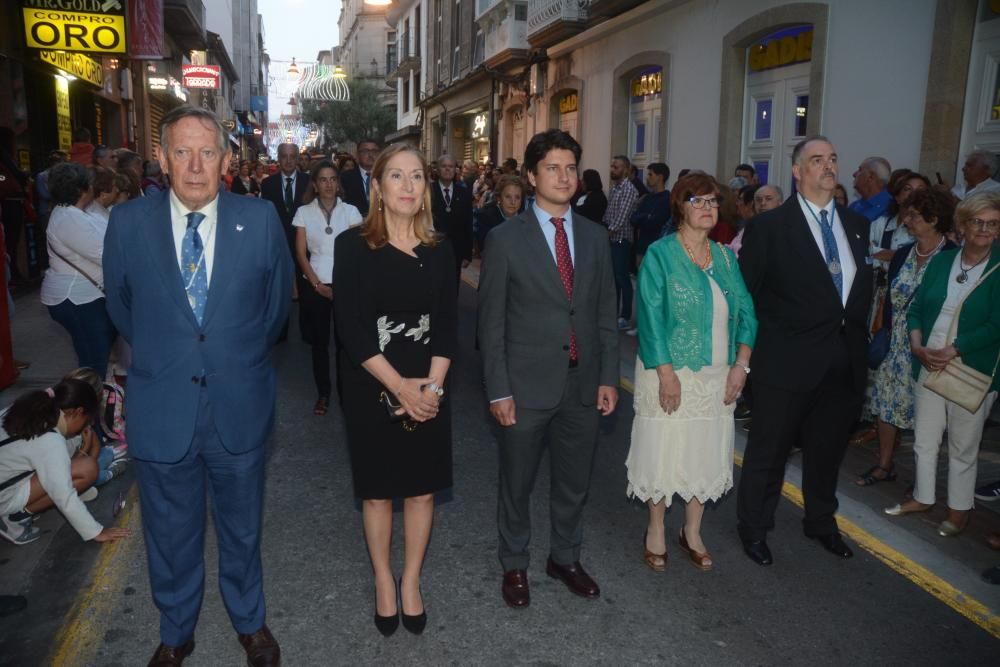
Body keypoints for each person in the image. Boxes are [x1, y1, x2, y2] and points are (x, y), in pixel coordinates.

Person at [103, 105, 291, 666]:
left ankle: (250, 622)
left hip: (238, 403)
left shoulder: (258, 220)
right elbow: (122, 309)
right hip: (163, 406)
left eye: (207, 152)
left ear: (227, 161)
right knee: (169, 533)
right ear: (160, 159)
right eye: (181, 152)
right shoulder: (128, 225)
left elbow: (275, 310)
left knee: (241, 529)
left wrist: (231, 356)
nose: (194, 166)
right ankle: (176, 630)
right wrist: (173, 355)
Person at [479, 129, 619, 608]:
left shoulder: (596, 237)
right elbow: (491, 322)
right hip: (524, 385)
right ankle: (514, 562)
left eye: (570, 168)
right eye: (553, 168)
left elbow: (604, 312)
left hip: (582, 384)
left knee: (574, 482)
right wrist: (498, 391)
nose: (564, 176)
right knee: (517, 482)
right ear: (533, 175)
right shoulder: (504, 239)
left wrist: (607, 377)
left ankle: (565, 556)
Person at [333, 144, 457, 636]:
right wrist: (400, 387)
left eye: (417, 177)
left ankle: (411, 581)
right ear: (378, 188)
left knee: (423, 491)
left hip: (430, 385)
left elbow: (447, 325)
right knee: (380, 493)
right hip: (372, 383)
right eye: (397, 177)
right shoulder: (352, 246)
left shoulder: (440, 248)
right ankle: (384, 579)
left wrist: (429, 388)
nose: (408, 186)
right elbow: (351, 328)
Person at [736, 136, 873, 566]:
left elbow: (855, 295)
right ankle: (754, 529)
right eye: (817, 160)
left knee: (827, 452)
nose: (828, 166)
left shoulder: (856, 225)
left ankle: (821, 523)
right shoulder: (770, 227)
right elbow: (748, 299)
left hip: (842, 364)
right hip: (785, 364)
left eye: (833, 158)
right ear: (797, 172)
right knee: (769, 452)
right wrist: (745, 361)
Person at [626, 173, 756, 573]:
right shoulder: (661, 255)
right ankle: (656, 530)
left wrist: (741, 365)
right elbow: (648, 318)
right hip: (669, 370)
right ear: (680, 206)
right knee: (663, 448)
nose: (707, 209)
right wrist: (666, 375)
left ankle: (692, 531)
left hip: (717, 376)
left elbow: (748, 314)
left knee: (703, 450)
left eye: (713, 202)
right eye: (697, 201)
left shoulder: (726, 257)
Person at [885, 191, 1000, 536]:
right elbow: (917, 308)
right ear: (962, 225)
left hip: (971, 367)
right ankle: (922, 496)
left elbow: (996, 324)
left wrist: (954, 349)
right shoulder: (942, 261)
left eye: (992, 224)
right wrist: (918, 345)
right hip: (929, 360)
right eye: (977, 222)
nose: (984, 229)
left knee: (964, 446)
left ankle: (958, 511)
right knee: (924, 437)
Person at [859, 188, 955, 486]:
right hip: (895, 343)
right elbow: (889, 295)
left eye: (914, 216)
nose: (907, 221)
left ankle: (924, 481)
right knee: (887, 405)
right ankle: (884, 464)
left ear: (934, 219)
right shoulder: (903, 254)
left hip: (931, 346)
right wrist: (881, 326)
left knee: (927, 414)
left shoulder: (952, 256)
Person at [0, 380, 129, 546]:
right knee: (87, 469)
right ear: (78, 412)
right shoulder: (50, 441)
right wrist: (96, 531)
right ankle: (12, 517)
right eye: (86, 419)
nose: (86, 425)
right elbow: (63, 495)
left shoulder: (28, 408)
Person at [293, 160, 362, 415]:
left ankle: (348, 394)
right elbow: (301, 254)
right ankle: (323, 394)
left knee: (346, 344)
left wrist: (344, 286)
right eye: (323, 179)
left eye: (333, 179)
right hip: (316, 284)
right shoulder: (303, 212)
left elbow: (357, 252)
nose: (329, 184)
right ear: (315, 184)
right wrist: (316, 284)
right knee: (320, 344)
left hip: (346, 285)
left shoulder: (352, 212)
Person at [40, 162, 116, 379]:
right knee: (93, 363)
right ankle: (84, 408)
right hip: (77, 298)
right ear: (83, 189)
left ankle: (91, 405)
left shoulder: (79, 212)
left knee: (95, 359)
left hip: (87, 297)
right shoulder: (68, 218)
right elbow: (106, 254)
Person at [603, 155, 640, 330]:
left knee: (622, 278)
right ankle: (614, 312)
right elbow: (608, 214)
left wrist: (607, 232)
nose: (612, 170)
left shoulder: (628, 190)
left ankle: (625, 315)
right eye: (612, 166)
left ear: (625, 170)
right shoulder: (615, 189)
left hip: (621, 240)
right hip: (611, 239)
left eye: (616, 167)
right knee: (614, 279)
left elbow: (620, 218)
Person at [430, 154, 473, 285]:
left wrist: (467, 254)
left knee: (453, 285)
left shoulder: (463, 192)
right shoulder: (428, 191)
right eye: (444, 166)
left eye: (451, 166)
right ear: (437, 169)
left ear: (456, 170)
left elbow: (468, 223)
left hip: (456, 249)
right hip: (433, 247)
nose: (448, 169)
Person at [630, 162, 672, 265]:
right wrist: (646, 216)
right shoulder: (647, 197)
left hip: (656, 249)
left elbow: (655, 221)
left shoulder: (667, 198)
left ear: (660, 177)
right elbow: (633, 218)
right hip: (641, 247)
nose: (647, 178)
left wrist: (644, 217)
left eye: (650, 174)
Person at [477, 174, 524, 253]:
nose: (513, 202)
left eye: (517, 197)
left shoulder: (527, 219)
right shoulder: (487, 217)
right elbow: (485, 247)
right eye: (508, 197)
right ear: (499, 198)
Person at [341, 139, 380, 216]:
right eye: (365, 151)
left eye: (374, 151)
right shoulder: (346, 178)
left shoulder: (385, 176)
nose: (370, 155)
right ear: (357, 155)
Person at [849, 156, 892, 222]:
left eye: (860, 170)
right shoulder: (853, 206)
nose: (854, 174)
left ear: (871, 177)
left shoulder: (891, 207)